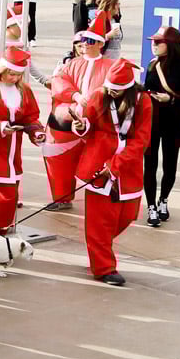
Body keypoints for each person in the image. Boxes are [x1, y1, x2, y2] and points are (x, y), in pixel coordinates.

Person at [70, 60, 151, 285]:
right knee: (100, 223)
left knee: (127, 216)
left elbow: (142, 139)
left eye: (117, 90)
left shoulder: (143, 101)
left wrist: (115, 165)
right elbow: (87, 126)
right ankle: (104, 267)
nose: (111, 92)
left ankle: (98, 247)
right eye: (110, 88)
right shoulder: (99, 96)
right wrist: (80, 126)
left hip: (128, 167)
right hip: (97, 166)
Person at [47, 16, 114, 209]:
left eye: (90, 41)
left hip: (96, 124)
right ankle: (62, 198)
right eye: (83, 40)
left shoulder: (110, 66)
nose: (85, 44)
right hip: (67, 123)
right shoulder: (72, 63)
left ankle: (100, 198)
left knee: (96, 162)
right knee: (59, 160)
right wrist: (75, 95)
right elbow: (58, 82)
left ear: (101, 44)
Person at [0, 49, 44, 235]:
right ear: (1, 70)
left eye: (18, 75)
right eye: (11, 73)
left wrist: (37, 132)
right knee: (4, 195)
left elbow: (31, 116)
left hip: (13, 151)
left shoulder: (25, 90)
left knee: (10, 193)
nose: (15, 78)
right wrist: (0, 128)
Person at [143, 27, 180, 226]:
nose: (154, 45)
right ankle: (150, 206)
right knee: (149, 165)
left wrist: (171, 98)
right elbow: (146, 90)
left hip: (173, 122)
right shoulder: (151, 65)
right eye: (153, 41)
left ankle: (163, 200)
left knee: (169, 166)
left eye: (159, 42)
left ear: (171, 45)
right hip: (152, 122)